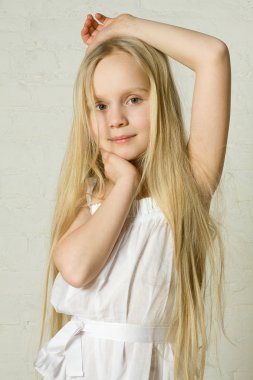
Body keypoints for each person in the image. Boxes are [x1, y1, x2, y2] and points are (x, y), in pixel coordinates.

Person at [33, 12, 231, 380]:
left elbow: (213, 55)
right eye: (101, 105)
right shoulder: (91, 196)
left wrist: (126, 27)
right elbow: (76, 268)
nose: (116, 119)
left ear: (161, 103)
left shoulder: (187, 186)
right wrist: (123, 185)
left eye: (134, 99)